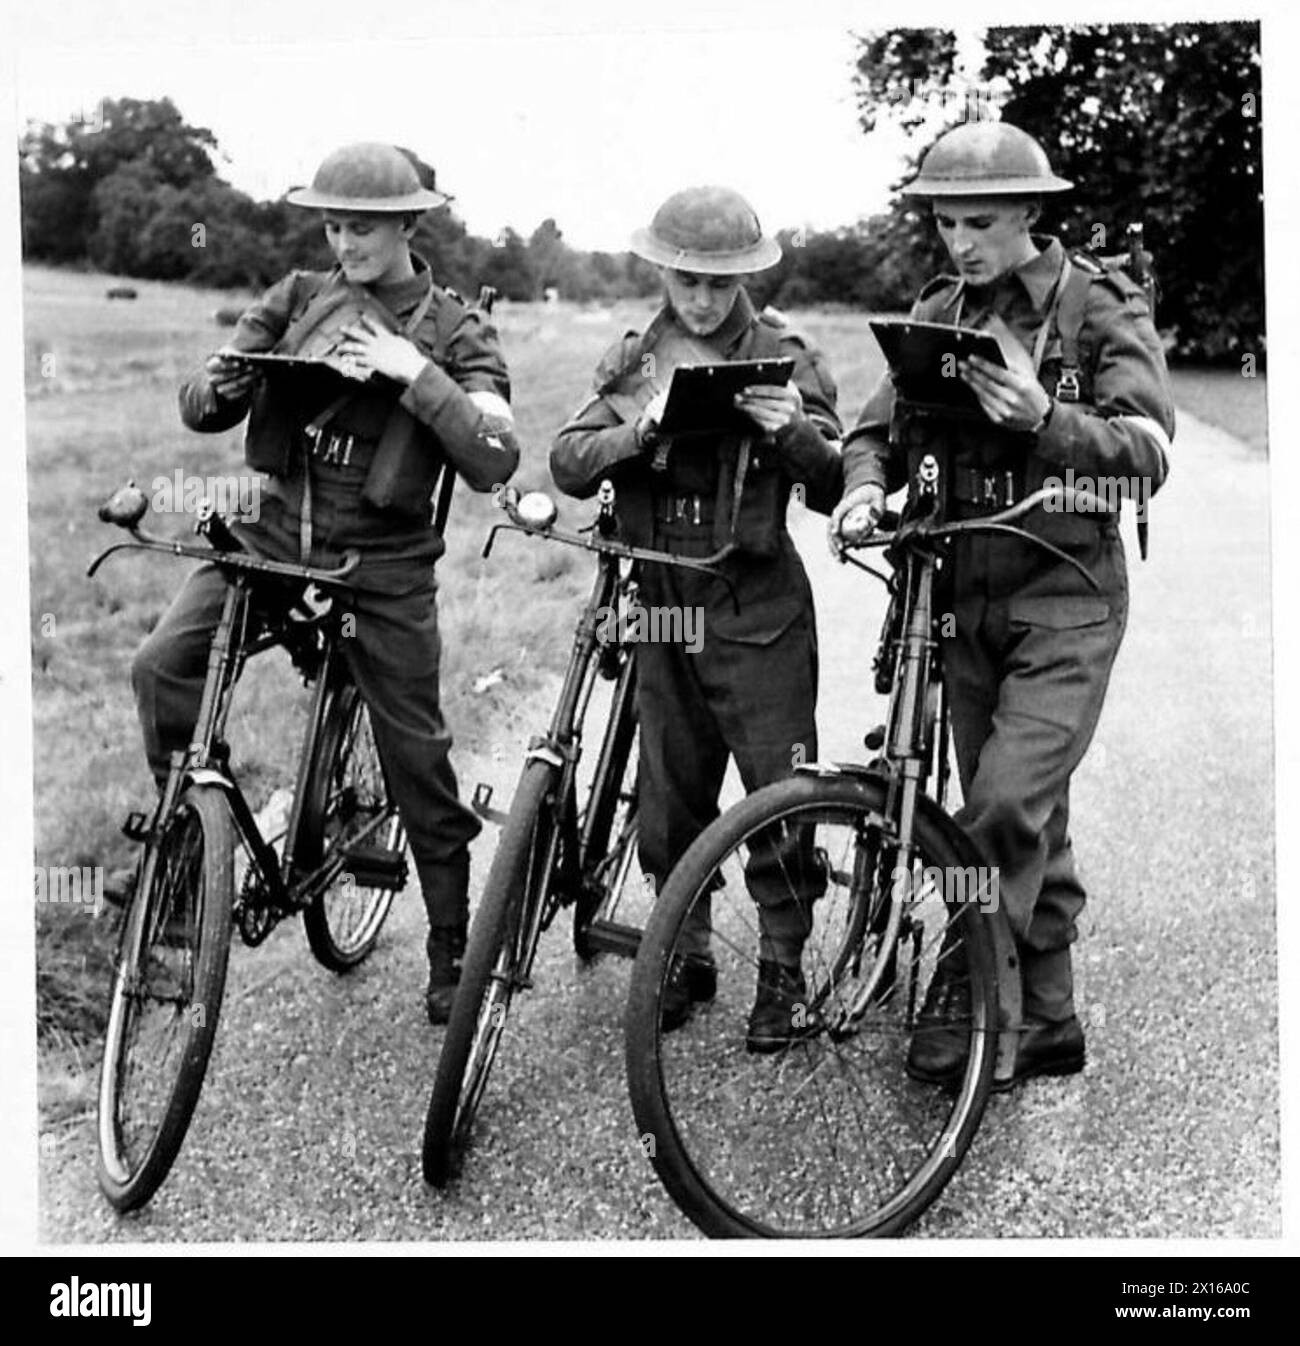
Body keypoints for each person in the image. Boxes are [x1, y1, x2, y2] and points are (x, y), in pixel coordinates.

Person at [129, 142, 520, 1023]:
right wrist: (226, 379)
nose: (345, 242)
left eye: (364, 228)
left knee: (416, 755)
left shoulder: (458, 331)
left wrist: (413, 375)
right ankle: (193, 849)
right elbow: (200, 406)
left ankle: (452, 941)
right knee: (161, 666)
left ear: (410, 225)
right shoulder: (297, 297)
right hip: (271, 538)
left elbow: (496, 456)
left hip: (382, 567)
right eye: (334, 224)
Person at [830, 120, 1175, 1088]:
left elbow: (1148, 448)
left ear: (1031, 210)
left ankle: (965, 980)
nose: (960, 243)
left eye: (979, 221)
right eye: (944, 223)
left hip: (1067, 600)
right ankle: (1052, 1014)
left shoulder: (1097, 306)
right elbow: (872, 430)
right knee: (1031, 812)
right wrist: (864, 486)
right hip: (960, 598)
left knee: (999, 803)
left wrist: (1048, 420)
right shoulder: (936, 309)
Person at [550, 186, 843, 1051]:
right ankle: (687, 948)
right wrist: (637, 433)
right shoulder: (637, 359)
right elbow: (568, 460)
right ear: (662, 272)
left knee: (779, 793)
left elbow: (832, 485)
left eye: (720, 283)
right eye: (686, 281)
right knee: (671, 796)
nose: (703, 300)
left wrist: (794, 432)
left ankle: (783, 971)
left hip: (755, 604)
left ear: (748, 277)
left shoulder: (786, 354)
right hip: (662, 599)